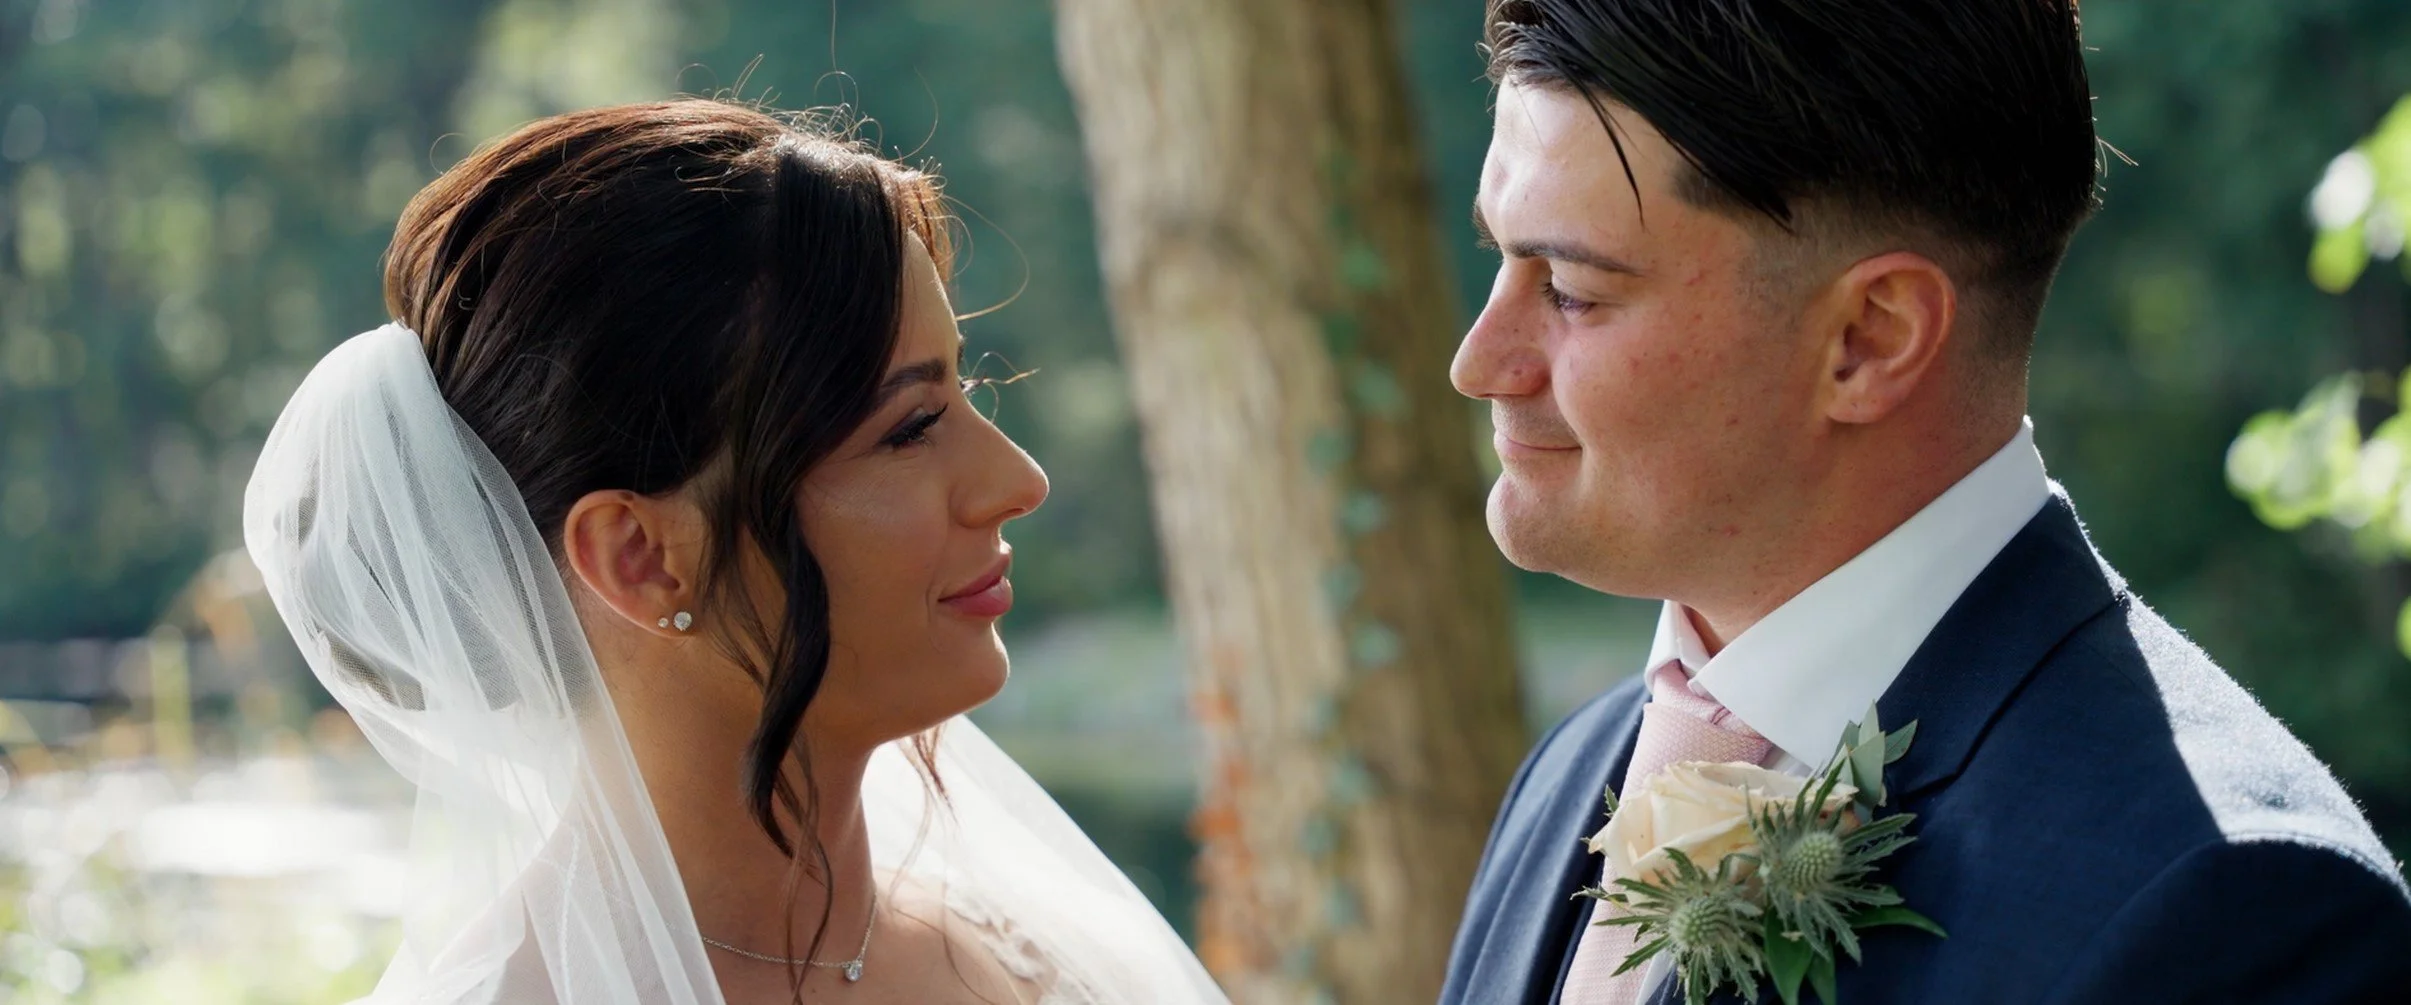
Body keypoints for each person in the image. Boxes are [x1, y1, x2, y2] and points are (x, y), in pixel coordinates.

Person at [1440, 2, 2411, 1003]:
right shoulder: (1571, 777)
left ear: (1868, 337)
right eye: (1498, 258)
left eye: (1568, 289)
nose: (1478, 364)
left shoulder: (2234, 914)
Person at [243, 99, 1226, 1005]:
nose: (1018, 480)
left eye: (965, 393)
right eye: (911, 426)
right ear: (638, 557)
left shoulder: (1038, 963)